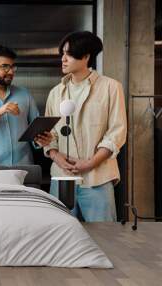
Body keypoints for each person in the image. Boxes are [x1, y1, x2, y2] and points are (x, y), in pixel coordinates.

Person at [43, 31, 127, 222]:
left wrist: (90, 163)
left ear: (86, 56)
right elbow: (51, 135)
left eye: (69, 54)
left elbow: (117, 132)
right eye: (62, 54)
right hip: (62, 177)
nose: (63, 59)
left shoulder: (111, 87)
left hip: (98, 178)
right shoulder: (56, 93)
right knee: (61, 237)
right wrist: (56, 156)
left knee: (105, 237)